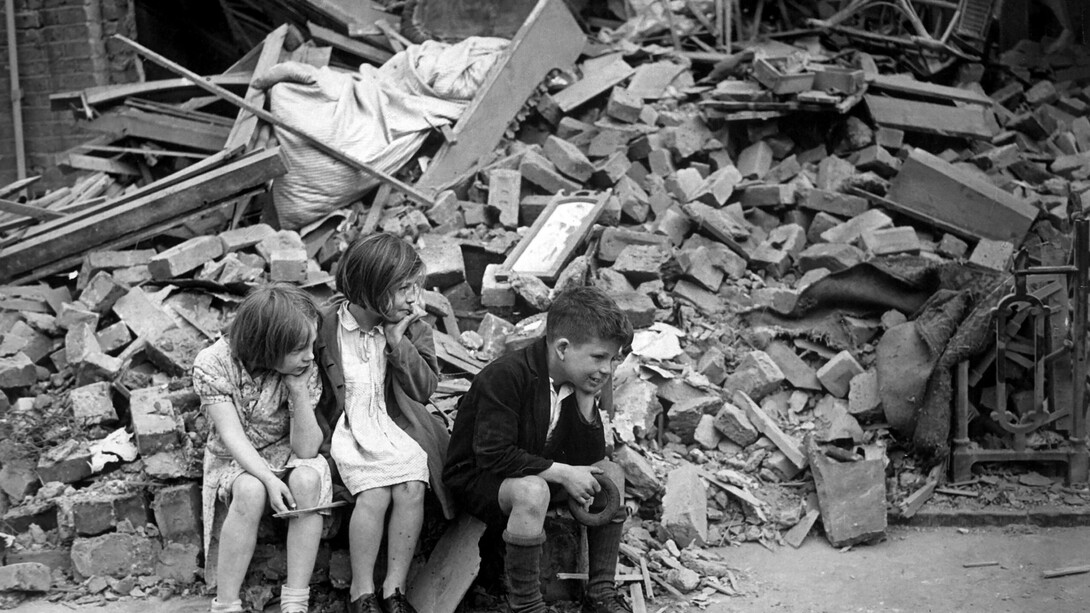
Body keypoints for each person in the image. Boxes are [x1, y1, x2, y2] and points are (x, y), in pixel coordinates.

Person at [443, 285, 634, 613]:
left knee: (610, 473)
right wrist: (562, 473)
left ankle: (600, 593)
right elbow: (493, 454)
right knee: (532, 491)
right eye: (599, 357)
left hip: (536, 471)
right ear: (562, 347)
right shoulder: (506, 376)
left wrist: (587, 403)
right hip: (482, 480)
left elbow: (589, 458)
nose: (607, 369)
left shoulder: (576, 380)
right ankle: (527, 605)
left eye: (613, 359)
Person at [314, 233, 454, 613]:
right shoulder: (324, 325)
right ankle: (361, 592)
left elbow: (424, 390)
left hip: (392, 423)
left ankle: (395, 589)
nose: (413, 298)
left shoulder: (412, 328)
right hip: (346, 427)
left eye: (416, 287)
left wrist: (397, 342)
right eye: (403, 288)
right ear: (371, 288)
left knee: (412, 484)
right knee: (373, 492)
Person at [193, 284, 332, 613]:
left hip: (287, 448)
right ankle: (226, 605)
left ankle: (295, 601)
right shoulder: (213, 363)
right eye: (300, 348)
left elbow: (308, 448)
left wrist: (298, 390)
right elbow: (232, 435)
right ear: (269, 345)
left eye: (312, 345)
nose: (310, 356)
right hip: (236, 456)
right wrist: (270, 480)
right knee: (251, 490)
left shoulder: (301, 369)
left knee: (307, 481)